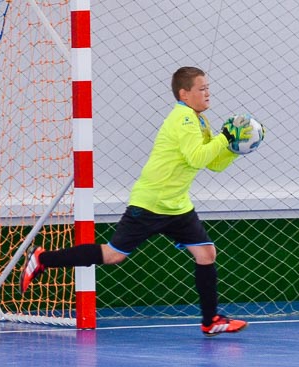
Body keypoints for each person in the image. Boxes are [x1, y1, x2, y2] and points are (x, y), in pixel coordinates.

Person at [20, 66, 253, 337]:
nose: (207, 94)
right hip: (151, 202)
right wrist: (225, 137)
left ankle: (210, 320)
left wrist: (234, 149)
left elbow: (213, 164)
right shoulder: (184, 119)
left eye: (208, 88)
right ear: (184, 94)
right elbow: (196, 158)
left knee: (206, 253)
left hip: (176, 205)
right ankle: (42, 258)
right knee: (113, 255)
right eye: (202, 89)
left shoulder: (200, 121)